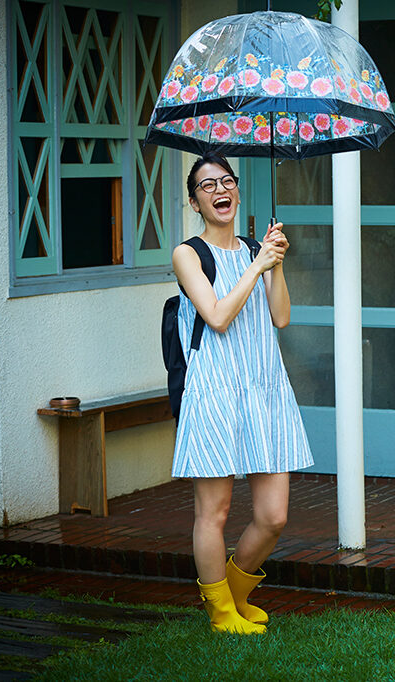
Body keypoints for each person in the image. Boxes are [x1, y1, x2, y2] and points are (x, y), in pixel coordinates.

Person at [171, 151, 313, 635]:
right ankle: (221, 615)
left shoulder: (257, 247)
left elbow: (280, 317)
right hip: (214, 392)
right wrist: (256, 266)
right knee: (215, 512)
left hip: (263, 390)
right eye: (207, 186)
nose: (219, 190)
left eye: (226, 181)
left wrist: (275, 263)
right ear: (195, 202)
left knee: (273, 516)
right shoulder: (189, 255)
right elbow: (216, 316)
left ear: (237, 190)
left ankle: (232, 596)